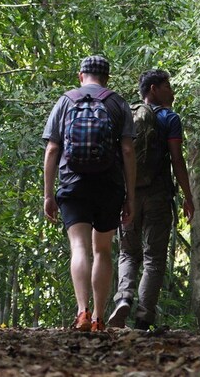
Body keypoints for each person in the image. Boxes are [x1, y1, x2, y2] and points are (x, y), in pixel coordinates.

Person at [42, 55, 136, 332]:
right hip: (109, 185)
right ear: (107, 78)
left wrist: (48, 194)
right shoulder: (118, 103)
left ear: (80, 75)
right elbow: (128, 151)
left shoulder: (65, 101)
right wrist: (131, 196)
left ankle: (81, 312)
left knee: (79, 248)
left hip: (72, 184)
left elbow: (51, 150)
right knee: (103, 249)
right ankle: (97, 316)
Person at [107, 69, 195, 330]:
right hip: (158, 195)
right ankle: (144, 317)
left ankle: (123, 298)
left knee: (128, 254)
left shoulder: (126, 117)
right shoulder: (169, 118)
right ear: (154, 89)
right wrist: (188, 197)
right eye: (168, 86)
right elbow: (177, 160)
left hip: (129, 195)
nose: (172, 91)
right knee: (154, 258)